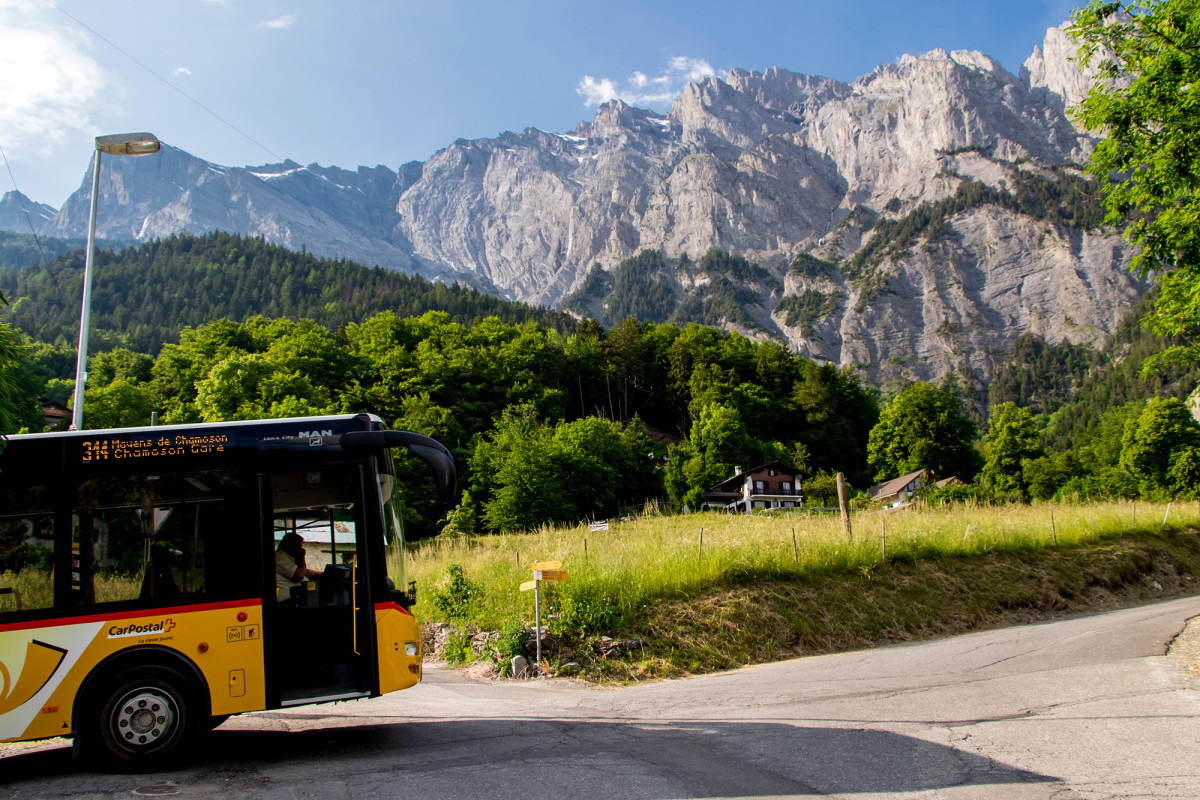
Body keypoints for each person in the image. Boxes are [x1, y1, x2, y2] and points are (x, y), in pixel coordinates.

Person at [275, 532, 322, 597]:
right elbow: (299, 575)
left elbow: (304, 572)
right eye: (299, 547)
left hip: (294, 597)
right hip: (284, 600)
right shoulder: (279, 557)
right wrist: (302, 557)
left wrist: (319, 573)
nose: (300, 549)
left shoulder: (288, 558)